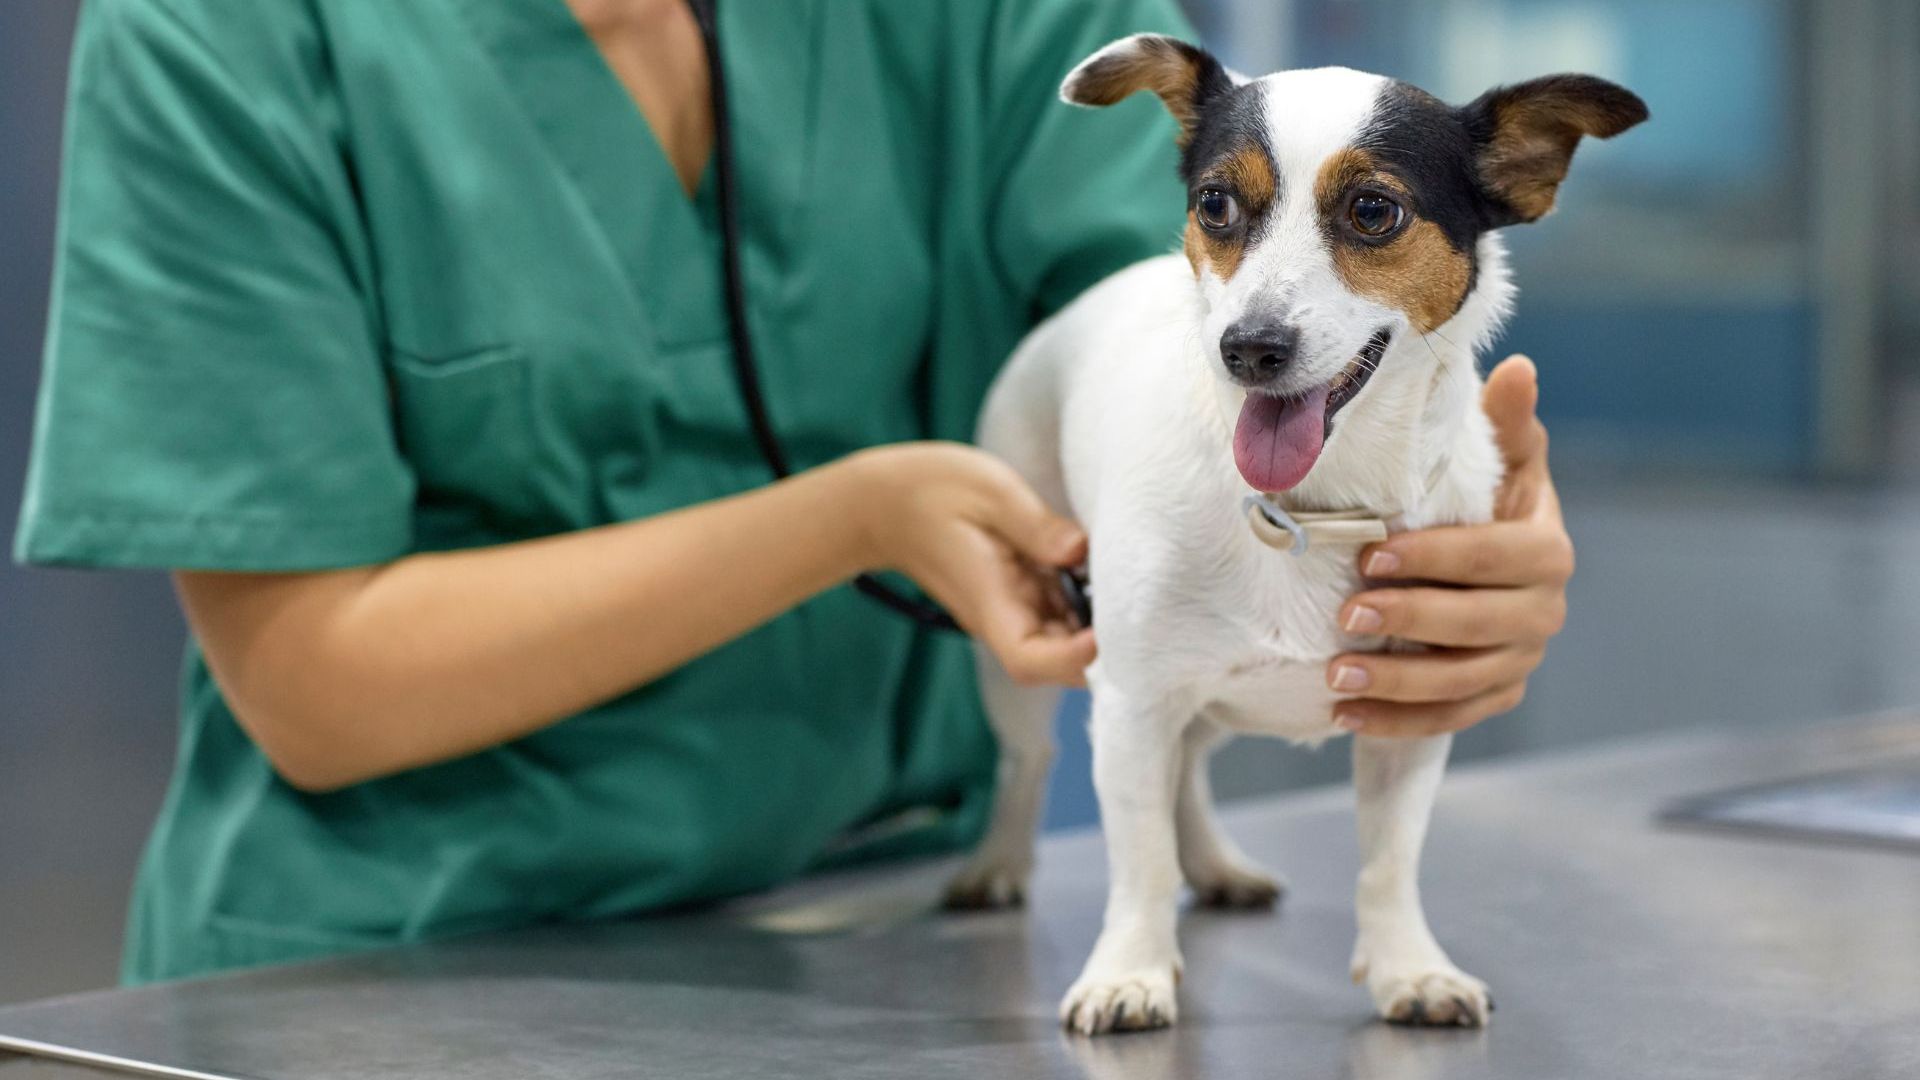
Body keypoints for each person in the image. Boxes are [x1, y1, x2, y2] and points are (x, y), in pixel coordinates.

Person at [14, 0, 1573, 985]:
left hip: (903, 933)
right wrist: (850, 518)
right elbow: (312, 683)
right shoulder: (222, 37)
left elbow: (1182, 291)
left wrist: (1432, 481)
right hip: (385, 976)